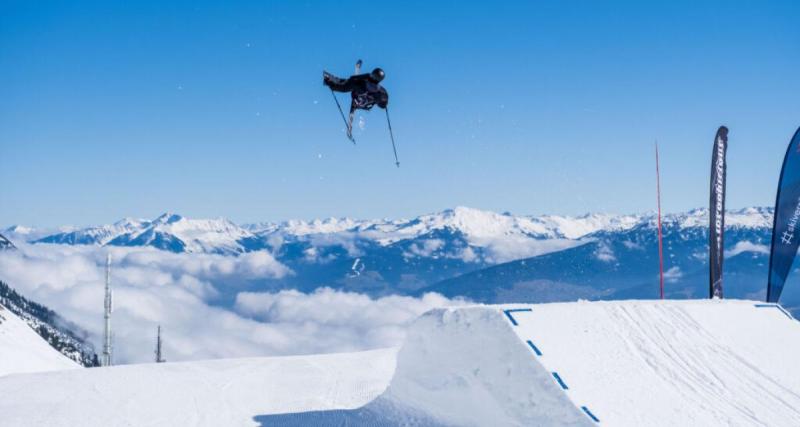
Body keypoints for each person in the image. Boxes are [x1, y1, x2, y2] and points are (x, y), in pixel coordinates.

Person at [324, 67, 389, 139]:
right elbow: (383, 105)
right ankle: (360, 101)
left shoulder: (360, 83)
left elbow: (344, 86)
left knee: (348, 83)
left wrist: (329, 82)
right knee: (352, 85)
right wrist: (384, 103)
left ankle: (331, 79)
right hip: (366, 106)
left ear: (372, 75)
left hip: (357, 99)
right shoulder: (382, 92)